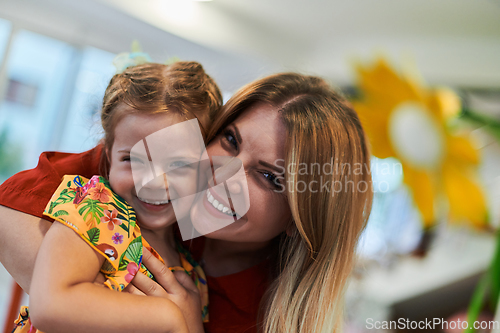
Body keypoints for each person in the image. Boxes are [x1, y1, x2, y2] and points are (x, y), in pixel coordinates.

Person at [0, 72, 373, 333]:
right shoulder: (154, 174)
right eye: (229, 140)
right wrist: (160, 316)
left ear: (301, 218)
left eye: (269, 177)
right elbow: (11, 205)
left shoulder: (262, 315)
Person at [9, 59, 223, 333]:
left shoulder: (193, 272)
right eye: (133, 160)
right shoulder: (96, 209)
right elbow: (50, 305)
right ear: (108, 156)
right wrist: (167, 317)